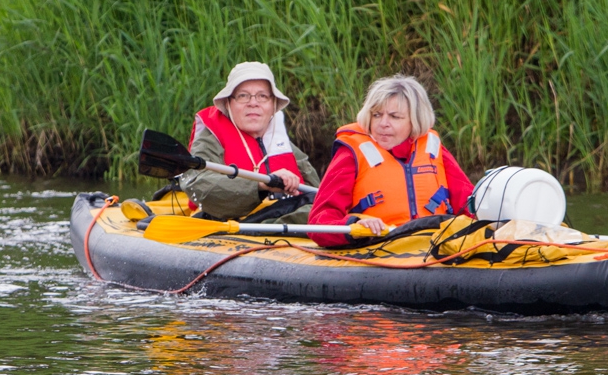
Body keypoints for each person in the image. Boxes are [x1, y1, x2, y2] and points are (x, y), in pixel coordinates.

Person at [308, 74, 474, 247]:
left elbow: (471, 207)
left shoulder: (433, 149)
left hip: (433, 245)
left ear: (415, 121)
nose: (383, 123)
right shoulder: (351, 153)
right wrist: (355, 226)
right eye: (377, 115)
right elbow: (319, 221)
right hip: (378, 247)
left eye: (395, 117)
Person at [180, 61, 320, 221]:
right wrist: (260, 184)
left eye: (262, 96)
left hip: (285, 215)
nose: (253, 103)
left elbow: (317, 192)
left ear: (273, 105)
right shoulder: (211, 138)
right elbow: (198, 184)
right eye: (243, 96)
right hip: (236, 224)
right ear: (228, 103)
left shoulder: (281, 141)